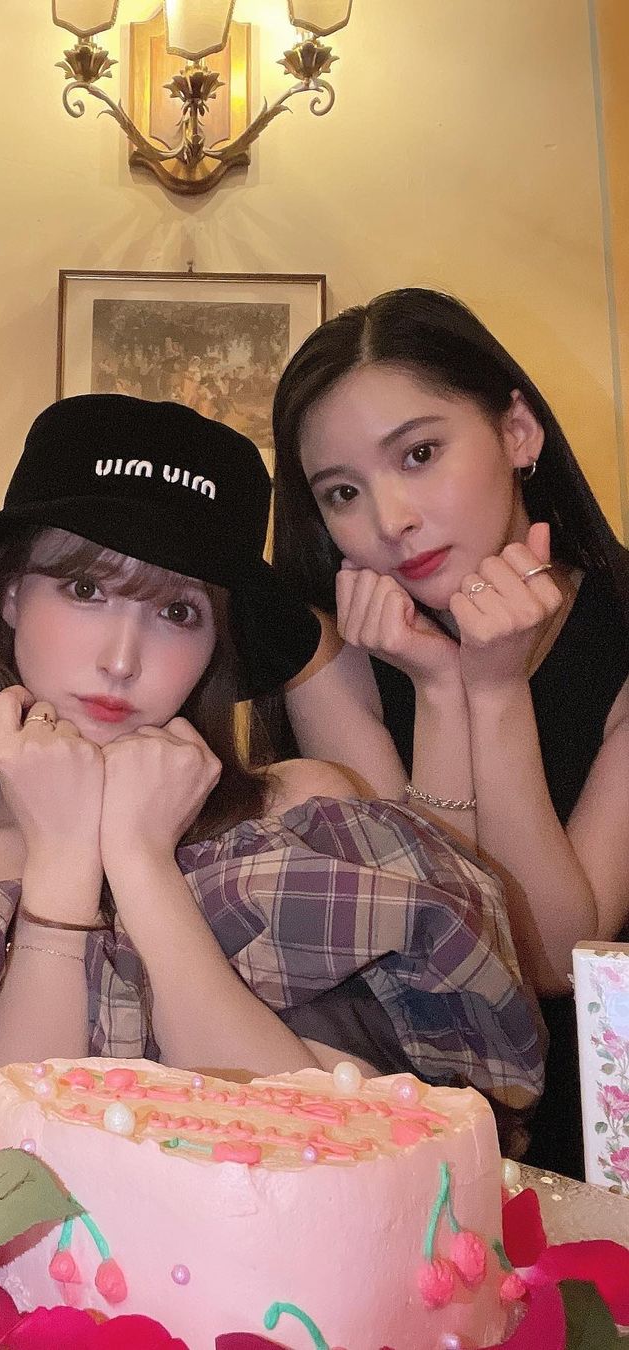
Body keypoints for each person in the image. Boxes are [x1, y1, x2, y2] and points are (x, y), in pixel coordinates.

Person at [0, 394, 544, 1187]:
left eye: (178, 611)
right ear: (13, 592)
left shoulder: (301, 821)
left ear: (217, 643)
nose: (122, 659)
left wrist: (141, 862)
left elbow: (334, 1161)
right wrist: (61, 867)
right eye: (86, 590)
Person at [265, 288, 629, 1177]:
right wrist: (438, 686)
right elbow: (433, 953)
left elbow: (552, 958)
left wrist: (493, 691)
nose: (390, 520)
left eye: (420, 454)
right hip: (417, 1128)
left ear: (518, 432)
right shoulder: (333, 652)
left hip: (602, 1133)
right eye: (343, 492)